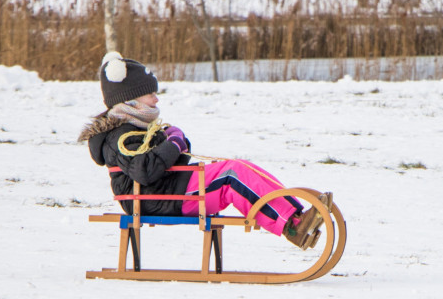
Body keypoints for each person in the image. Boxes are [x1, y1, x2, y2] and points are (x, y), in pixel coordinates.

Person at [78, 52, 331, 250]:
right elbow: (145, 171)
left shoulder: (138, 128)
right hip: (155, 198)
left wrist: (178, 142)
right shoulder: (119, 136)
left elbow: (172, 161)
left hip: (170, 190)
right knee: (232, 174)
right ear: (130, 99)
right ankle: (292, 228)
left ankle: (297, 217)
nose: (156, 99)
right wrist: (174, 143)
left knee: (241, 167)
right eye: (150, 94)